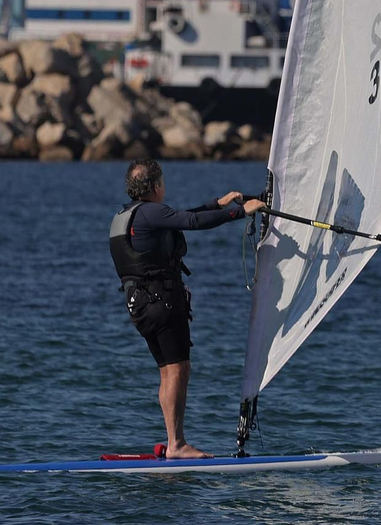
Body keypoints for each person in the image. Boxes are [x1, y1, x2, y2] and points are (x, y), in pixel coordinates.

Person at [109, 158, 265, 459]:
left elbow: (180, 217)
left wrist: (216, 204)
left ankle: (173, 442)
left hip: (140, 307)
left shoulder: (127, 216)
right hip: (162, 303)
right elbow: (189, 222)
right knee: (178, 369)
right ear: (156, 186)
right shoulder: (152, 212)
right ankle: (177, 444)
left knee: (168, 371)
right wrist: (239, 212)